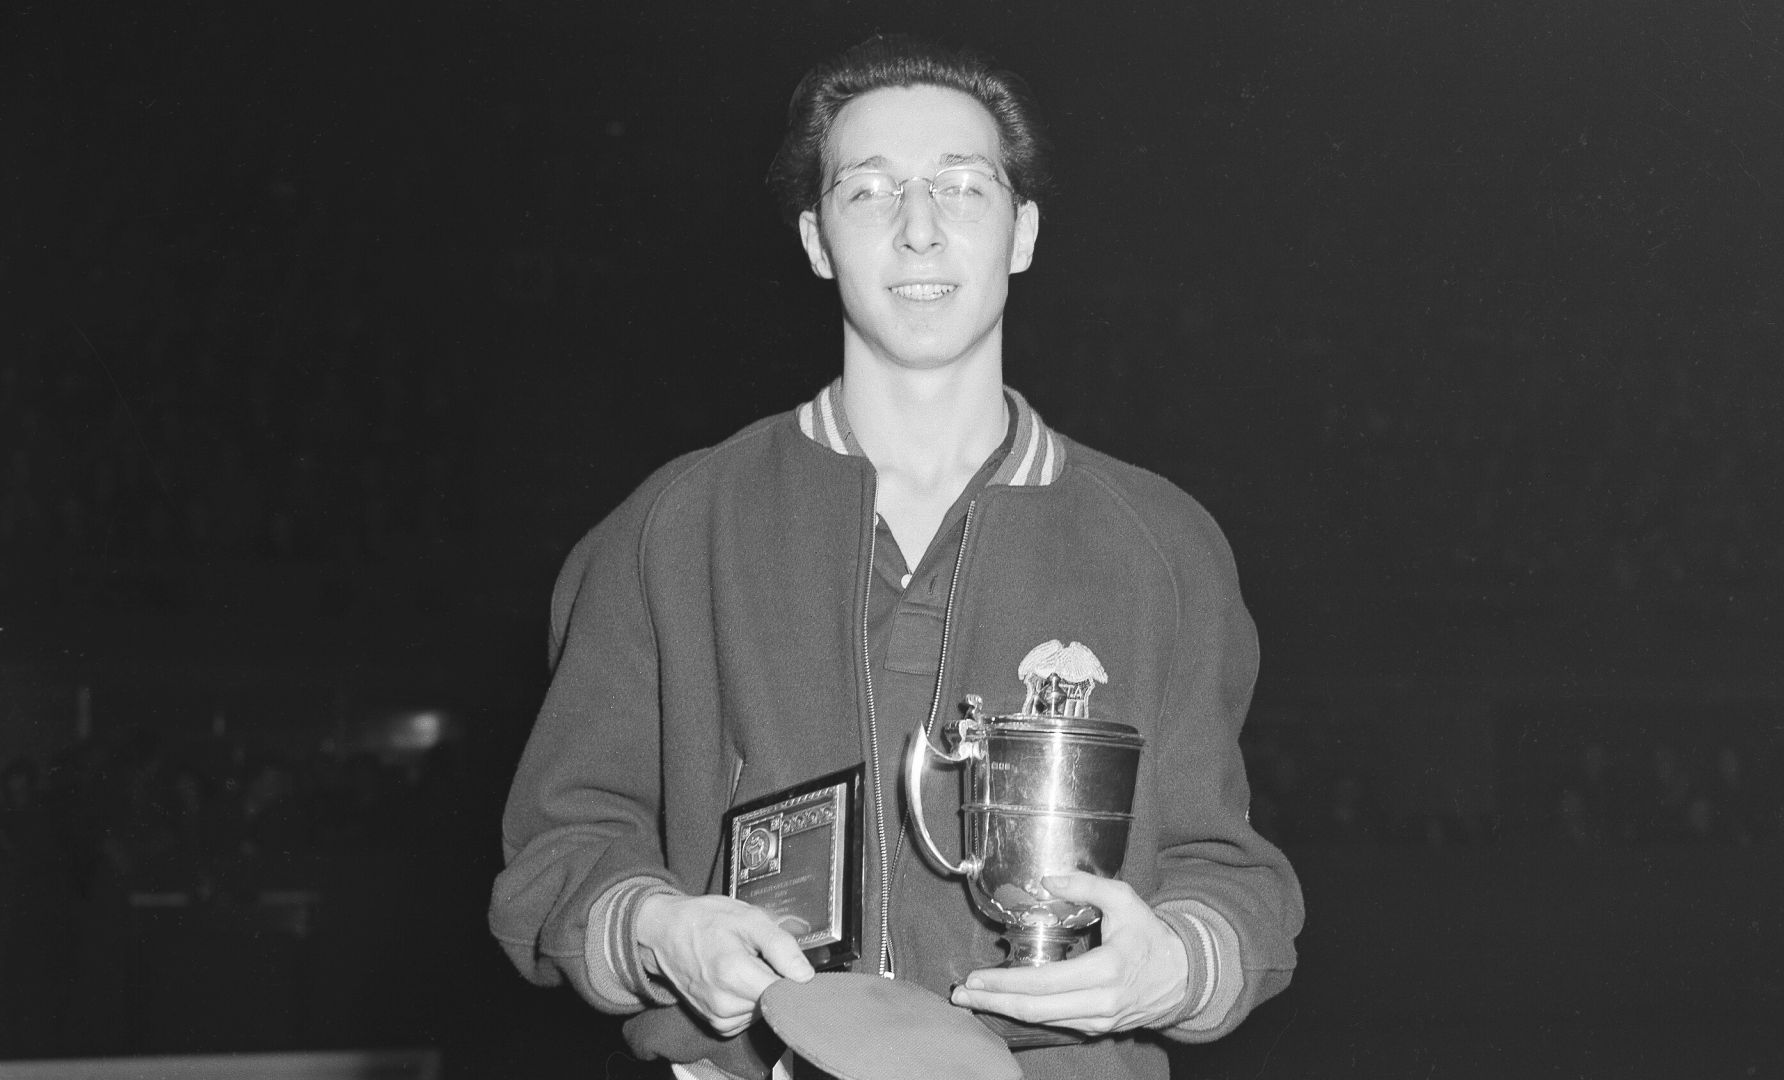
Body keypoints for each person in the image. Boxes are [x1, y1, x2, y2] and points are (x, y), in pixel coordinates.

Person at [489, 35, 1303, 1080]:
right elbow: (561, 849)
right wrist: (652, 930)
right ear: (817, 239)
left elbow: (1224, 869)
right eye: (869, 193)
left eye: (963, 188)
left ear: (1023, 232)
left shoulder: (1161, 543)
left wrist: (1180, 965)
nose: (920, 230)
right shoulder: (674, 526)